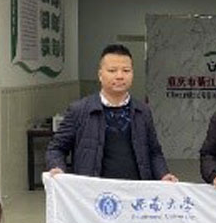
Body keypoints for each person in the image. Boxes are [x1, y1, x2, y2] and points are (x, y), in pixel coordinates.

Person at [46, 43, 177, 181]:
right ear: (100, 75)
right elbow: (56, 148)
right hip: (94, 190)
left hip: (135, 189)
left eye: (126, 70)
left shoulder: (142, 111)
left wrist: (163, 174)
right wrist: (57, 167)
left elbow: (154, 152)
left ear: (132, 74)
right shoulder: (80, 110)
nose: (120, 76)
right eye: (112, 70)